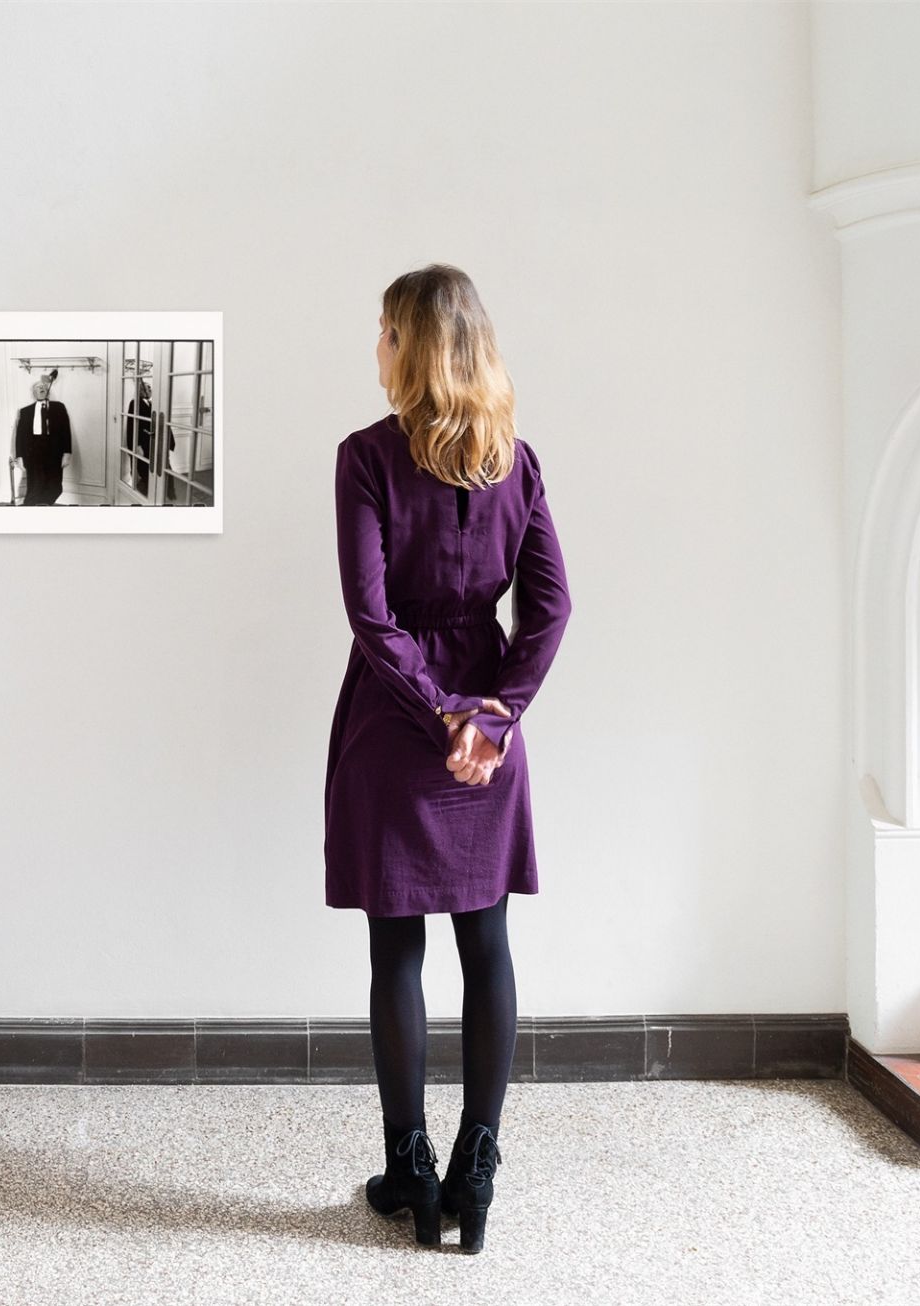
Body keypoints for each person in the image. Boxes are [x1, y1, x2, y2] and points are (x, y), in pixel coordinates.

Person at [324, 263, 573, 1253]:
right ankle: (478, 1166)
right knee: (487, 946)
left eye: (383, 331)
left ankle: (413, 1171)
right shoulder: (517, 461)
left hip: (394, 723)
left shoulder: (365, 458)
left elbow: (372, 618)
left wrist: (438, 715)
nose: (373, 347)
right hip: (483, 734)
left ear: (411, 347)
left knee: (397, 950)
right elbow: (549, 608)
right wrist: (493, 716)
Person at [11, 370, 72, 505]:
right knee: (35, 486)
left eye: (44, 387)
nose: (42, 388)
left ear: (48, 391)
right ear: (34, 393)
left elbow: (66, 431)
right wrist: (20, 456)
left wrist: (67, 453)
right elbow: (20, 436)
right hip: (34, 451)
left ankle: (42, 506)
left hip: (55, 451)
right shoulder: (25, 411)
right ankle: (31, 509)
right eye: (38, 387)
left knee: (55, 486)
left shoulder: (59, 407)